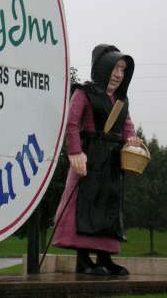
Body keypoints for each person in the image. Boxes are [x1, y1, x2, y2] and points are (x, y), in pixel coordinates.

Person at [52, 44, 140, 276]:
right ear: (103, 68)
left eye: (123, 69)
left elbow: (127, 126)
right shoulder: (83, 93)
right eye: (115, 68)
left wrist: (131, 141)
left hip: (111, 164)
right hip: (88, 160)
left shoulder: (121, 101)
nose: (119, 74)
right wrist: (75, 152)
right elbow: (72, 124)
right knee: (85, 206)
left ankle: (105, 257)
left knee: (108, 208)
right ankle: (83, 260)